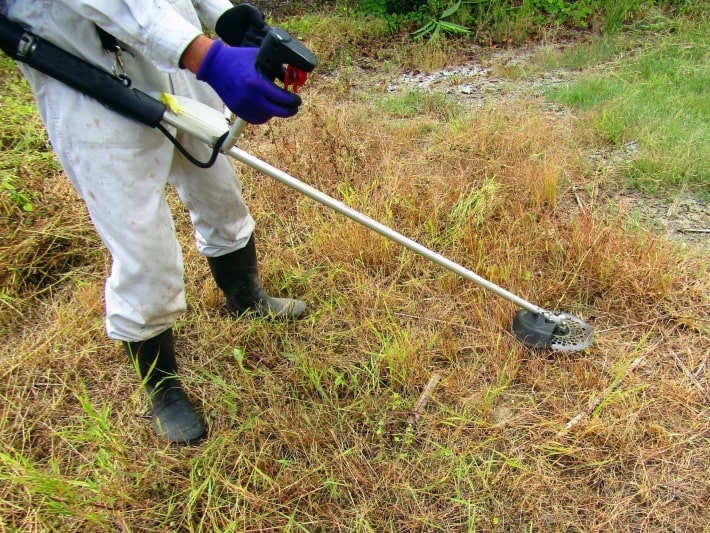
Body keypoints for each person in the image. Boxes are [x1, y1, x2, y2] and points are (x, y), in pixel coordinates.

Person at [1, 1, 307, 446]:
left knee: (221, 198)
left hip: (181, 66)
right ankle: (163, 389)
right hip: (89, 80)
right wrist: (206, 54)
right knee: (145, 251)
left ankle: (245, 297)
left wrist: (226, 17)